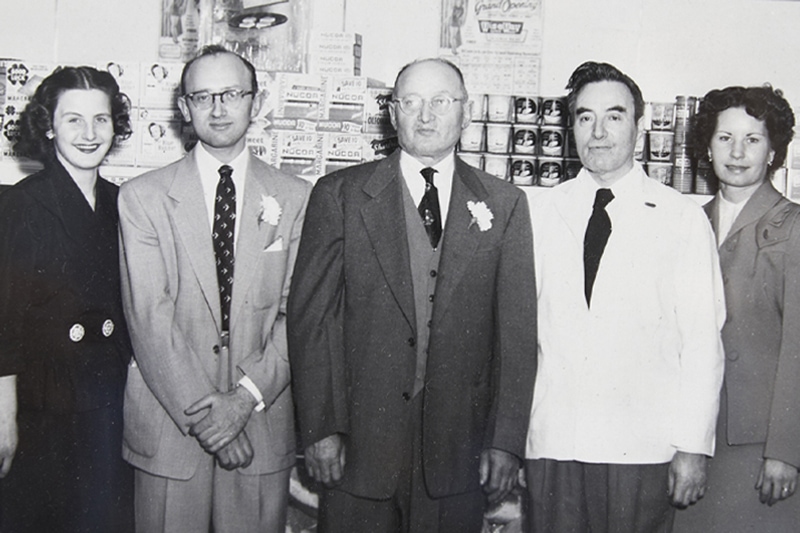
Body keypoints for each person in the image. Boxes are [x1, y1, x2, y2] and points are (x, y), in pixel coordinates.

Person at [288, 58, 537, 533]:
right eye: (411, 102)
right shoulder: (340, 195)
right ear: (392, 113)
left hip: (459, 451)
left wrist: (505, 441)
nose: (426, 116)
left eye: (442, 102)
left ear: (466, 113)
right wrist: (320, 429)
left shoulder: (504, 205)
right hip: (357, 447)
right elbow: (311, 322)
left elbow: (517, 333)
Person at [524, 61, 726, 533]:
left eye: (614, 116)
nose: (598, 132)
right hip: (555, 441)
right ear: (570, 125)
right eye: (584, 117)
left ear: (640, 126)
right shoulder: (539, 212)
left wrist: (693, 446)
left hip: (641, 448)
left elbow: (701, 342)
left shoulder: (681, 218)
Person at [118, 45, 311, 532]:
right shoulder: (141, 198)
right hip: (170, 425)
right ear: (183, 108)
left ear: (256, 101)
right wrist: (215, 424)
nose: (218, 108)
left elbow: (300, 313)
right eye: (202, 97)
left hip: (261, 424)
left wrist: (244, 398)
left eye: (231, 94)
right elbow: (150, 318)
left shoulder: (297, 197)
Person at [0, 66, 134, 532]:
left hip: (109, 397)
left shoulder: (126, 203)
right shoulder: (20, 204)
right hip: (42, 401)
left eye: (101, 119)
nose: (89, 133)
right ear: (49, 125)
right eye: (73, 119)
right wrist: (4, 417)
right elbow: (5, 323)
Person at [673, 85, 800, 533]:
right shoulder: (686, 222)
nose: (738, 151)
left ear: (773, 151)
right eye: (725, 137)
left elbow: (798, 350)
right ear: (706, 147)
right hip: (693, 436)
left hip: (761, 443)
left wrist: (786, 451)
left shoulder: (795, 226)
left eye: (753, 139)